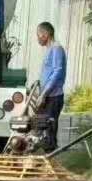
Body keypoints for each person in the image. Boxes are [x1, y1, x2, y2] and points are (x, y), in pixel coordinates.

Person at [33, 22, 67, 150]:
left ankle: (51, 154)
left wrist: (44, 94)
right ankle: (47, 152)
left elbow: (57, 72)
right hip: (48, 96)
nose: (37, 38)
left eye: (38, 34)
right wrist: (39, 82)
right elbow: (49, 73)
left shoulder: (56, 48)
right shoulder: (50, 49)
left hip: (53, 96)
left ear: (46, 34)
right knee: (43, 129)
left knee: (50, 132)